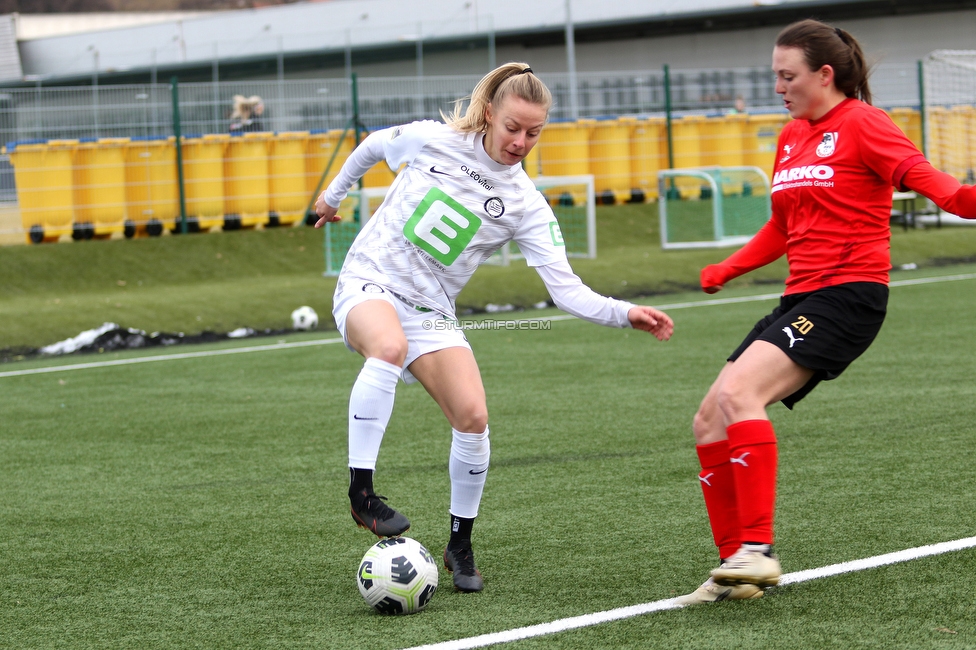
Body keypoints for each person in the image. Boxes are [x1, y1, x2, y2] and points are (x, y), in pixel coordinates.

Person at [313, 62, 674, 593]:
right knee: (387, 347)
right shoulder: (431, 140)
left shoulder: (525, 203)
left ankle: (460, 544)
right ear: (488, 114)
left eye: (534, 132)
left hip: (431, 310)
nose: (522, 141)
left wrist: (626, 313)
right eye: (513, 127)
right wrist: (334, 195)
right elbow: (371, 147)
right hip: (369, 280)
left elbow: (566, 290)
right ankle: (361, 494)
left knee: (474, 418)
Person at [677, 18, 976, 605]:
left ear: (824, 74)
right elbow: (782, 228)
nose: (778, 86)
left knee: (740, 395)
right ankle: (732, 572)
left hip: (850, 296)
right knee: (708, 420)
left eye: (787, 76)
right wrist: (727, 269)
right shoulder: (792, 136)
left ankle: (757, 552)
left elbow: (943, 191)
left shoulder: (866, 125)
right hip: (803, 297)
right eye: (774, 76)